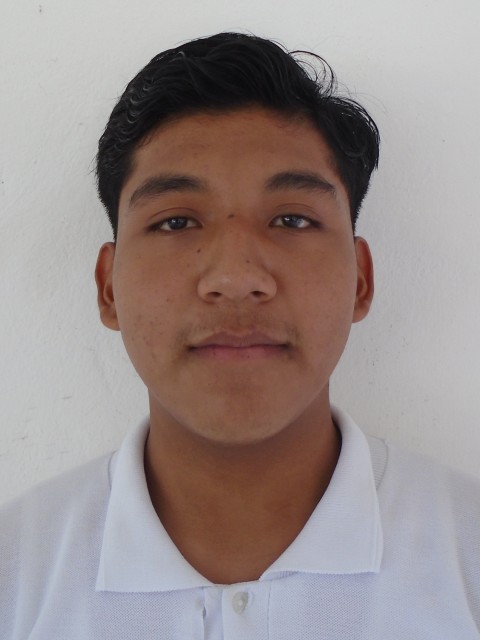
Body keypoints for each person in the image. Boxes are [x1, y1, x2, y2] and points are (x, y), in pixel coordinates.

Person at [1, 32, 479, 639]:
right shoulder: (17, 575)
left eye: (292, 219)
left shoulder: (466, 557)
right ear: (108, 288)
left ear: (361, 279)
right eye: (176, 221)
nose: (235, 278)